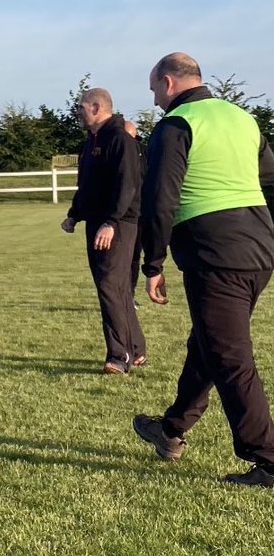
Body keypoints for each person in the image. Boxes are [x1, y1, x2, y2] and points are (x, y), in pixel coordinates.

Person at [132, 52, 274, 488]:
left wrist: (152, 263)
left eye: (154, 87)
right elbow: (271, 179)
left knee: (230, 357)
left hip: (215, 253)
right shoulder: (242, 119)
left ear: (170, 83)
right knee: (209, 344)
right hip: (259, 248)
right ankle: (172, 429)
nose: (154, 97)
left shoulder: (176, 125)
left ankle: (267, 460)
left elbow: (160, 199)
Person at [60, 88, 146, 373]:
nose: (77, 113)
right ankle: (136, 349)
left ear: (96, 107)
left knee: (109, 286)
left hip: (118, 224)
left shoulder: (119, 138)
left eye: (80, 108)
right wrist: (75, 214)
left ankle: (118, 356)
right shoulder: (92, 140)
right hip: (97, 222)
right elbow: (87, 184)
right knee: (117, 288)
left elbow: (127, 184)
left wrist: (111, 222)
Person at [123, 120, 146, 302]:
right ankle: (123, 294)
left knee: (135, 255)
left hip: (142, 211)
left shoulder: (144, 152)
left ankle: (130, 293)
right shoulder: (116, 151)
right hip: (123, 214)